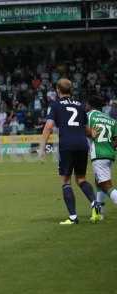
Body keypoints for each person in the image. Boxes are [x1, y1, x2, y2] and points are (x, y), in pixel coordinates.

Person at [40, 78, 101, 225]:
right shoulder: (80, 105)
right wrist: (93, 134)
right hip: (82, 144)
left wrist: (42, 147)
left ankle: (73, 217)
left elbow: (48, 127)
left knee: (66, 181)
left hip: (67, 145)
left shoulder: (55, 105)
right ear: (71, 90)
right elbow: (87, 130)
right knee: (81, 179)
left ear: (58, 90)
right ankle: (95, 203)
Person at [87, 95, 117, 219]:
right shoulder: (111, 119)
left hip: (98, 154)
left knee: (106, 184)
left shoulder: (89, 116)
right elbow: (116, 140)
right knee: (99, 182)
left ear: (89, 105)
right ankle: (99, 212)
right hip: (109, 154)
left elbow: (85, 130)